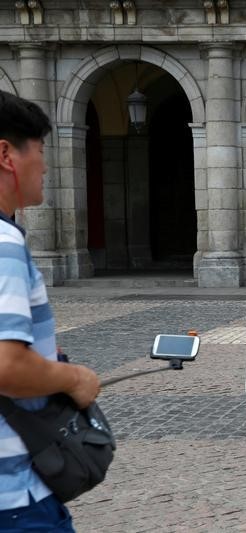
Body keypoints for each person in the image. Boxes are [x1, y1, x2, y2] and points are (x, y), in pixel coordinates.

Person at [0, 90, 101, 530]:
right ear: (6, 154)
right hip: (14, 498)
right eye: (40, 151)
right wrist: (74, 378)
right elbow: (6, 365)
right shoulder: (3, 243)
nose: (45, 166)